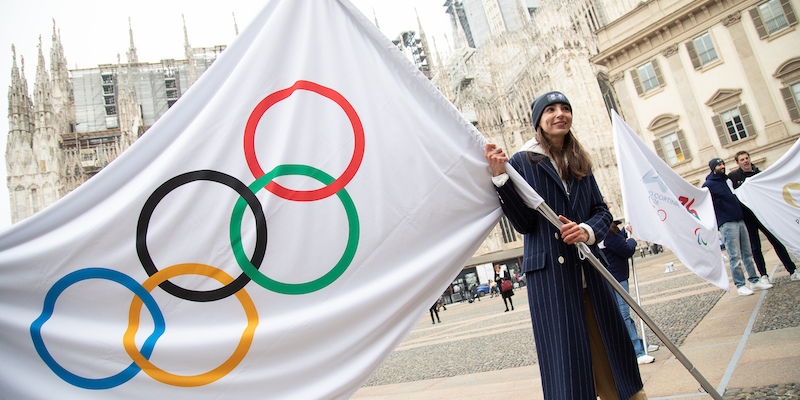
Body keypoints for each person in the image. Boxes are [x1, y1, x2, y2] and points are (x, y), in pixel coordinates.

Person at [485, 91, 645, 400]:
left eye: (565, 108)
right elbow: (524, 224)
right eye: (551, 110)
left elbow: (602, 211)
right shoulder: (523, 161)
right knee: (566, 361)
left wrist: (586, 231)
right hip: (551, 277)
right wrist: (500, 178)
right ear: (538, 121)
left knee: (612, 348)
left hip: (590, 271)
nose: (560, 114)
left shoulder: (579, 159)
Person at [703, 158, 773, 295]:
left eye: (723, 164)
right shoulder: (709, 185)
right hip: (727, 222)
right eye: (719, 165)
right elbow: (707, 204)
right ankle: (740, 285)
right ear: (713, 168)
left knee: (747, 253)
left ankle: (754, 281)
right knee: (735, 255)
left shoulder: (727, 180)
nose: (722, 166)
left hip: (739, 219)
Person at [728, 151, 800, 282]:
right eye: (742, 159)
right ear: (737, 163)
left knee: (777, 243)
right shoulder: (733, 176)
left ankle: (792, 270)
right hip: (748, 218)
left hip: (764, 216)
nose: (746, 161)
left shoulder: (759, 174)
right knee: (755, 248)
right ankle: (764, 275)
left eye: (747, 158)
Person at [599, 221, 659, 365]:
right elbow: (626, 249)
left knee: (625, 315)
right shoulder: (607, 233)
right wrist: (631, 240)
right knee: (624, 315)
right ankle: (637, 352)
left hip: (617, 276)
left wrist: (625, 231)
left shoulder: (608, 232)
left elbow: (617, 240)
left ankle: (640, 344)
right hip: (617, 278)